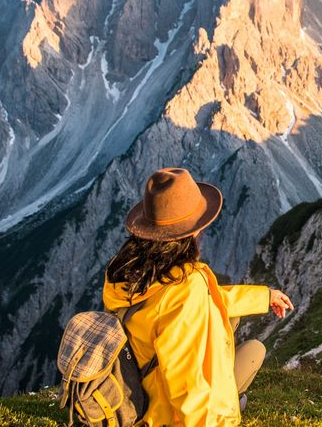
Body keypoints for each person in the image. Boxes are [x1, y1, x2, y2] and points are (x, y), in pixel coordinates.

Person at [102, 167, 294, 427]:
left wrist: (263, 297)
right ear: (192, 230)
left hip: (133, 391)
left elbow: (205, 299)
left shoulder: (126, 270)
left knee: (232, 322)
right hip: (161, 414)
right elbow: (186, 379)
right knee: (255, 351)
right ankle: (231, 406)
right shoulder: (185, 286)